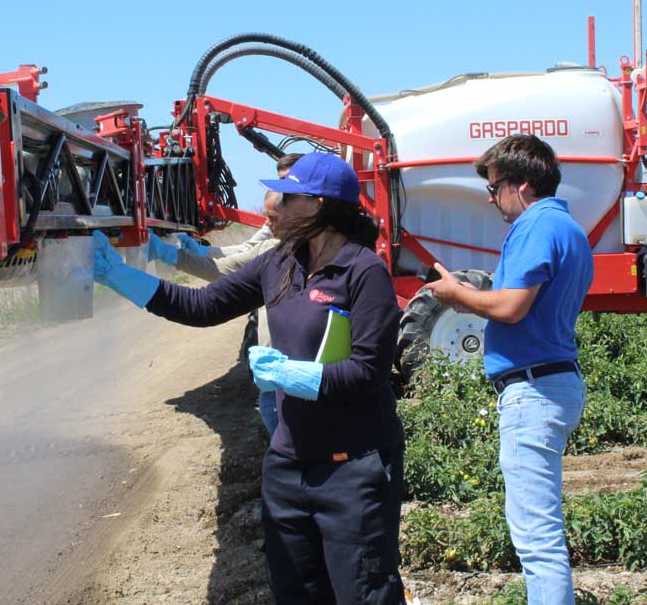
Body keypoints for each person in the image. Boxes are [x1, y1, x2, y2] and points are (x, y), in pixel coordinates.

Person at [91, 151, 407, 604]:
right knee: (296, 593)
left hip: (353, 468)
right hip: (288, 465)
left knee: (364, 593)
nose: (269, 206)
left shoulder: (362, 271)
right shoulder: (278, 263)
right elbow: (200, 308)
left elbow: (368, 372)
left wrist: (292, 376)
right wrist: (117, 276)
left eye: (284, 197)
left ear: (317, 205)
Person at [423, 134, 593, 605]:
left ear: (520, 186)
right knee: (541, 532)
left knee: (537, 541)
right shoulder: (568, 228)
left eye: (494, 187)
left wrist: (458, 296)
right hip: (554, 380)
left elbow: (513, 306)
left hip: (533, 389)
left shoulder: (534, 226)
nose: (492, 199)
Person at [145, 153, 303, 436]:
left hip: (292, 376)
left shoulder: (296, 253)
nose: (284, 192)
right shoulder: (276, 241)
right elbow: (240, 256)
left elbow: (226, 272)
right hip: (279, 374)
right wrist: (193, 253)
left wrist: (172, 257)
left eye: (290, 184)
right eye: (281, 183)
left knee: (289, 438)